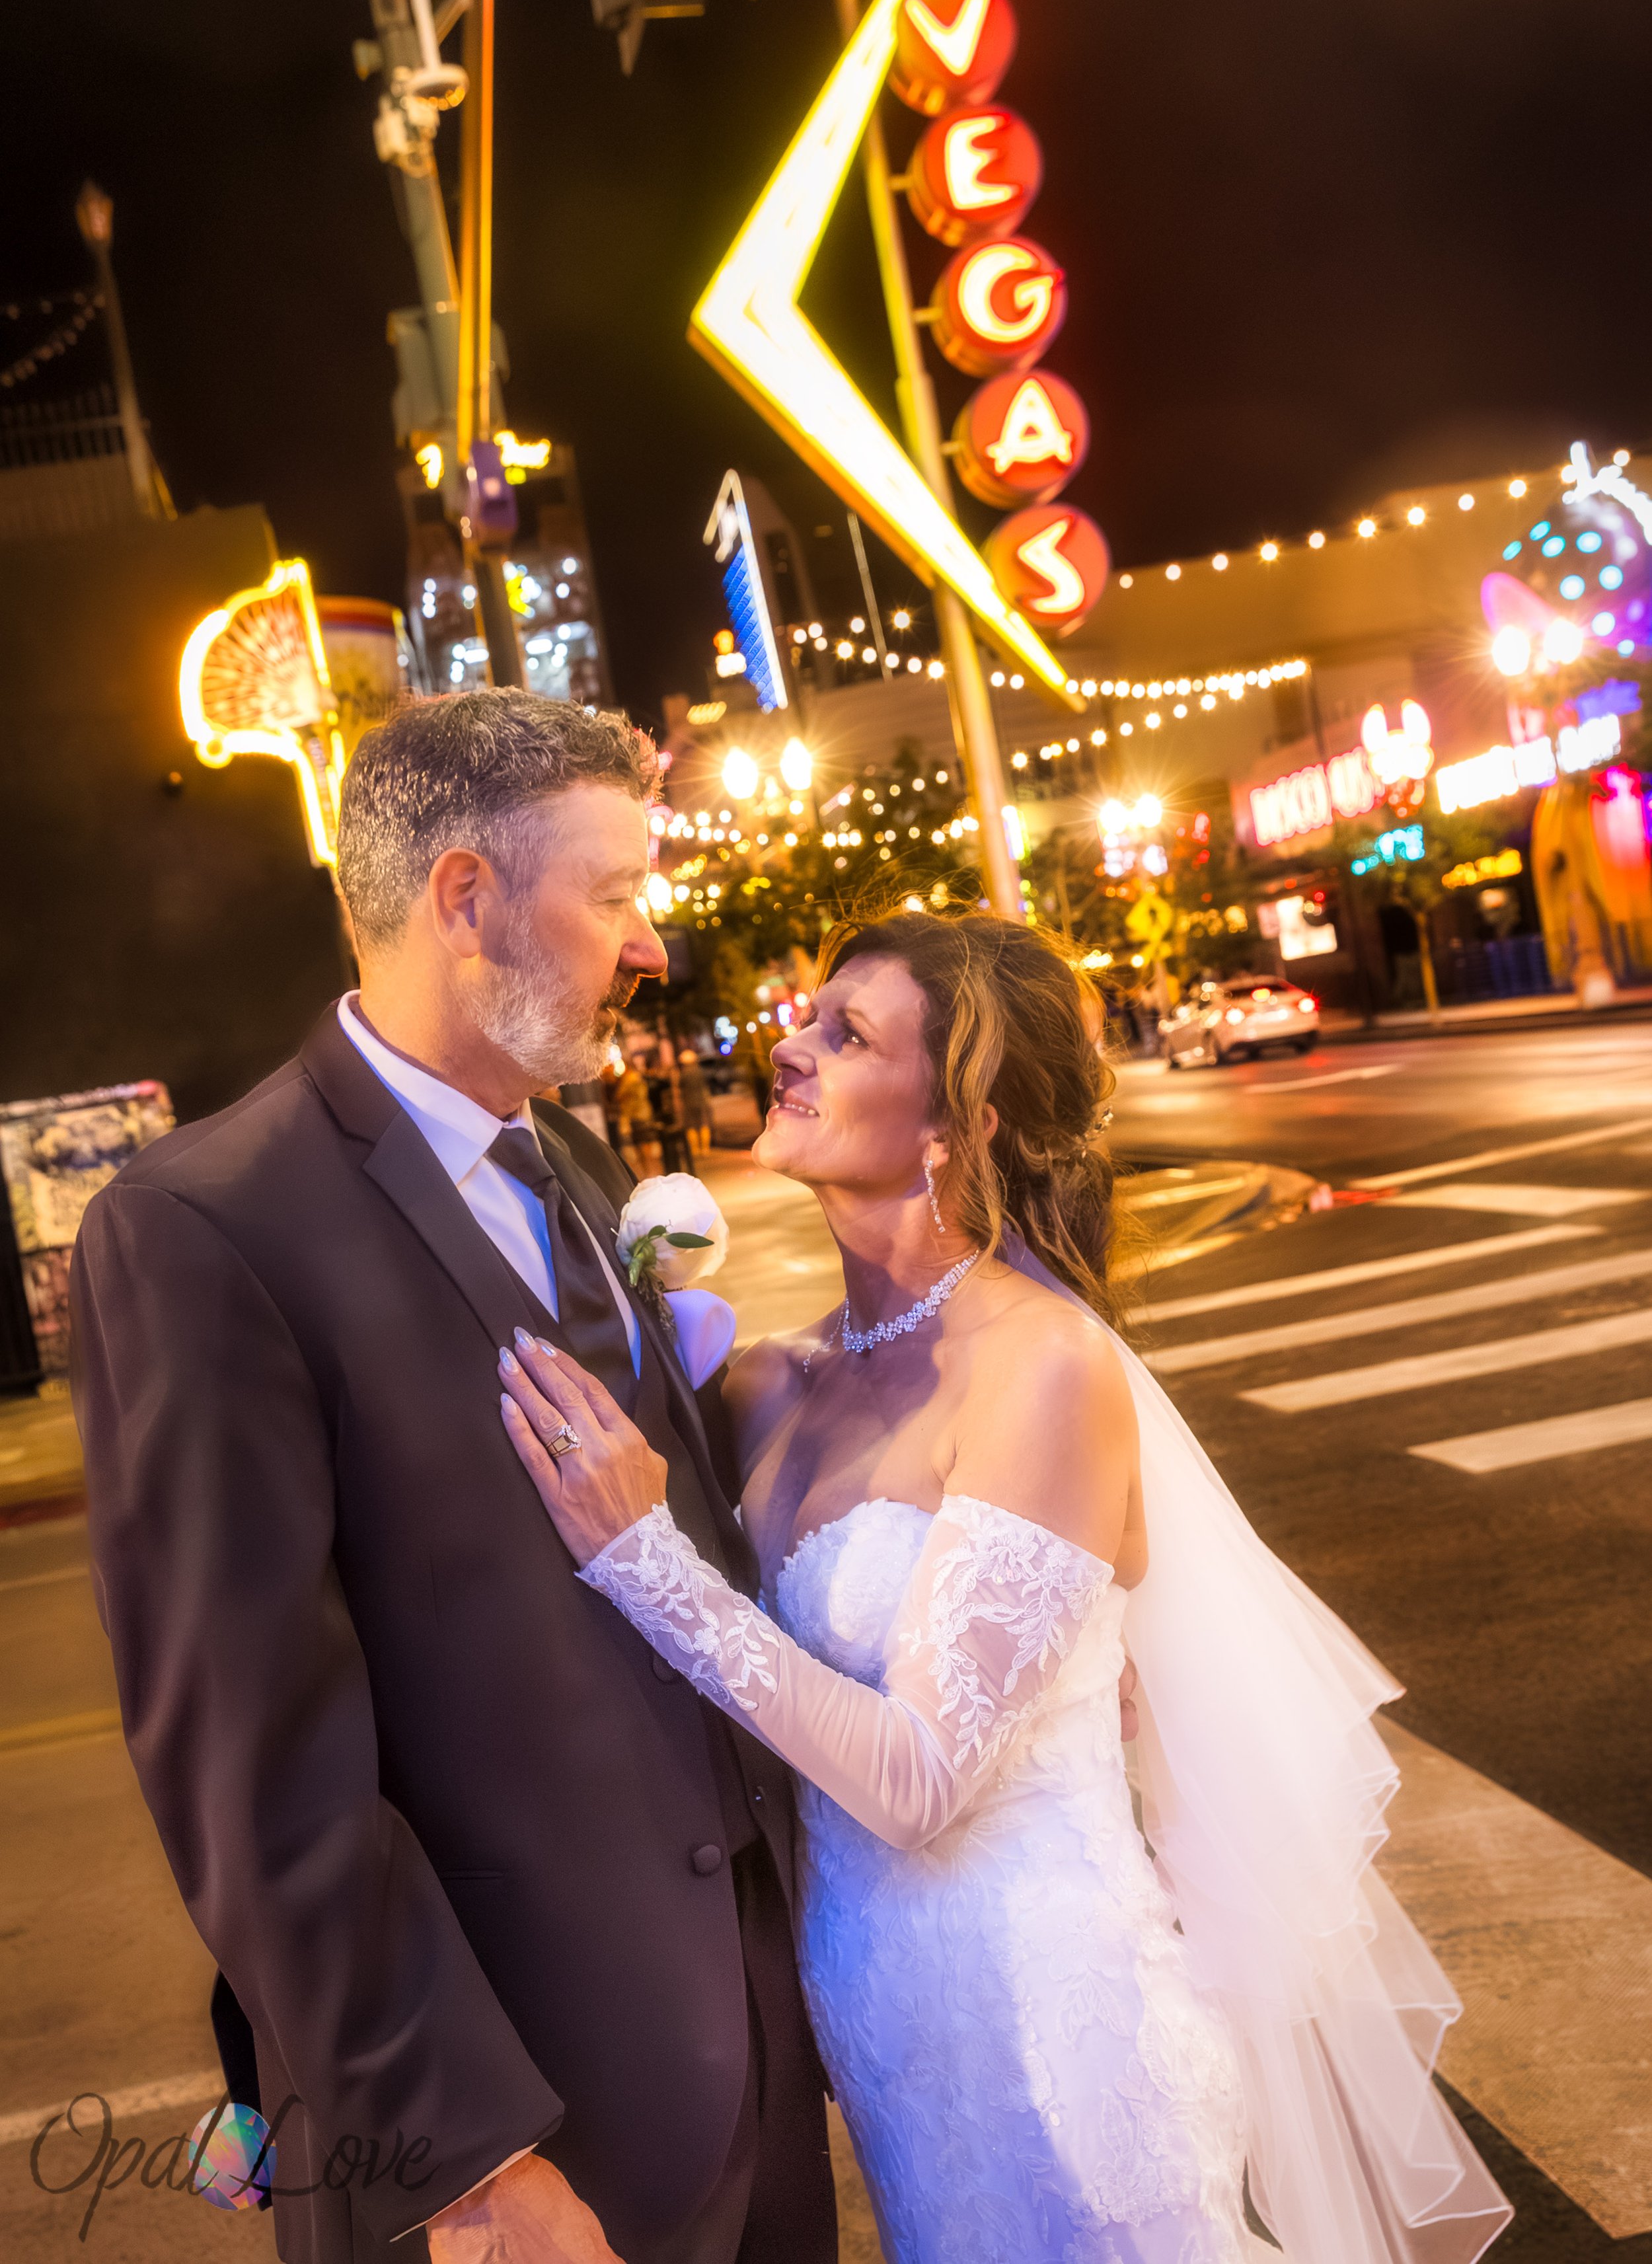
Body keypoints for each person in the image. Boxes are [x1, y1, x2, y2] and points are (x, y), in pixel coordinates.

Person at [494, 909, 1513, 2264]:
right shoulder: (765, 1383)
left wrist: (643, 1562)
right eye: (806, 1017)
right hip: (888, 2038)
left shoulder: (1040, 1365)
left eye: (843, 1034)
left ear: (951, 1123)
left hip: (1059, 2043)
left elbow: (919, 1781)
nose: (787, 1048)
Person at [69, 693, 838, 2264]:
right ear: (468, 897)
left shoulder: (579, 1166)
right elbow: (255, 1766)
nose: (649, 946)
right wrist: (471, 2156)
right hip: (523, 2134)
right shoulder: (204, 1227)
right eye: (615, 892)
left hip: (753, 2069)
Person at [678, 1047, 713, 1159]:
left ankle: (695, 1149)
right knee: (704, 1124)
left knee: (691, 1126)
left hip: (688, 1103)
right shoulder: (700, 1071)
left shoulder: (683, 1074)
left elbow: (680, 1089)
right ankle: (706, 1149)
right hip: (702, 1102)